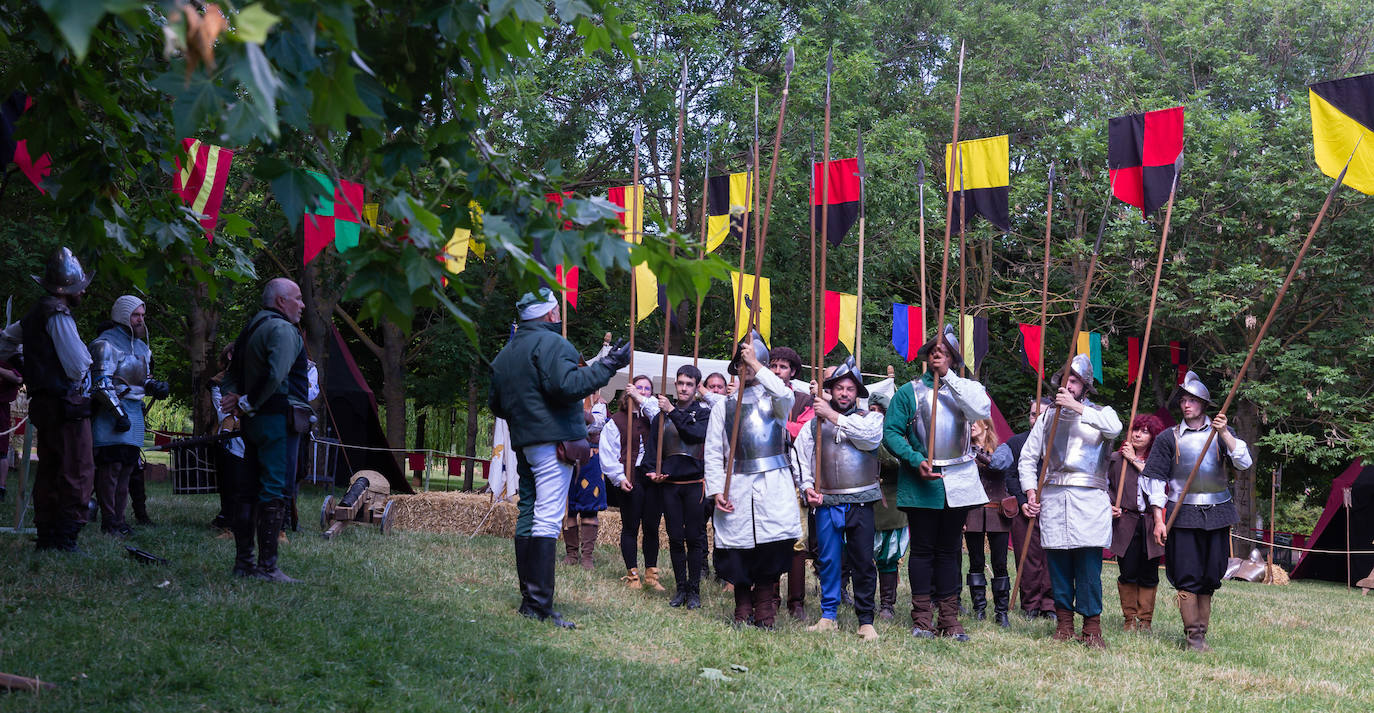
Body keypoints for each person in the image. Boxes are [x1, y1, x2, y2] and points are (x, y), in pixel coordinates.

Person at [489, 288, 630, 628]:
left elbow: (496, 404)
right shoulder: (553, 345)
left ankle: (529, 599)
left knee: (530, 511)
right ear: (551, 315)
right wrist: (610, 364)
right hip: (553, 443)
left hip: (526, 442)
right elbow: (568, 386)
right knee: (549, 517)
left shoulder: (507, 352)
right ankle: (539, 605)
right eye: (557, 311)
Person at [884, 324, 991, 641]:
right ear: (926, 357)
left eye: (944, 353)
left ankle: (949, 618)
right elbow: (891, 432)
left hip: (957, 478)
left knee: (949, 552)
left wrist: (951, 377)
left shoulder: (965, 390)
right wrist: (915, 459)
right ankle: (921, 618)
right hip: (922, 481)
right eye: (933, 352)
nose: (937, 357)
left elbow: (981, 410)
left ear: (954, 359)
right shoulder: (909, 392)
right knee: (922, 551)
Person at [1141, 371, 1253, 652]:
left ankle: (1201, 633)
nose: (1186, 404)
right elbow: (1154, 480)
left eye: (1192, 400)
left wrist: (1225, 432)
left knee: (1211, 575)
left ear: (1204, 404)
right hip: (1182, 512)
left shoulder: (1221, 435)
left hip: (1217, 511)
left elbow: (1244, 462)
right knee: (1187, 574)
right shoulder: (1169, 438)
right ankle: (1193, 637)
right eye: (1183, 400)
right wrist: (1159, 519)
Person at [1019, 354, 1122, 649]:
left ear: (1085, 386)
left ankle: (1092, 628)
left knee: (1088, 569)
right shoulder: (1048, 417)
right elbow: (1028, 458)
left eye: (1074, 380)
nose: (1068, 385)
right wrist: (1030, 491)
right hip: (1053, 497)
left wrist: (1076, 408)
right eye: (1065, 380)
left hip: (1089, 499)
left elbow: (1114, 429)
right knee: (1059, 566)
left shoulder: (1103, 413)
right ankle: (1064, 624)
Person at [218, 278, 313, 582]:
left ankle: (244, 564)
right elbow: (275, 375)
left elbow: (230, 375)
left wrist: (233, 400)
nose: (302, 305)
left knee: (247, 490)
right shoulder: (283, 329)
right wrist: (245, 402)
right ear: (281, 301)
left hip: (254, 423)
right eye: (297, 299)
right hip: (276, 422)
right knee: (273, 490)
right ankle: (267, 568)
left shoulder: (250, 328)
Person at [705, 331, 801, 629]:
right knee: (738, 550)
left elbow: (786, 394)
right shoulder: (724, 406)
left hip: (772, 483)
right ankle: (742, 610)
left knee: (769, 551)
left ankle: (765, 613)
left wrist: (759, 366)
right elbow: (713, 451)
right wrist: (716, 490)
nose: (746, 370)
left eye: (751, 364)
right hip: (737, 484)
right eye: (742, 364)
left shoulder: (776, 401)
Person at [796, 358, 884, 640]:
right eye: (839, 388)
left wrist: (832, 416)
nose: (844, 393)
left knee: (862, 560)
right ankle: (828, 615)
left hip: (860, 500)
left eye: (849, 389)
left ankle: (866, 619)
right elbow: (801, 458)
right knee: (829, 560)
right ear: (831, 390)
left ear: (857, 392)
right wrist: (807, 486)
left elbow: (868, 440)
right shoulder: (814, 424)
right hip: (826, 501)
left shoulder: (871, 419)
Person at [21, 248, 96, 552]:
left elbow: (7, 340)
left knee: (51, 467)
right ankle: (64, 537)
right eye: (81, 286)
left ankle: (47, 534)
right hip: (65, 404)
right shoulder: (58, 313)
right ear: (69, 287)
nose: (85, 291)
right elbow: (78, 364)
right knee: (75, 468)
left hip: (44, 403)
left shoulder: (36, 312)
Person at [89, 295, 169, 537]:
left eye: (142, 315)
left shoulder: (142, 347)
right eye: (136, 315)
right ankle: (109, 521)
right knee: (111, 468)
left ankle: (120, 520)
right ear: (123, 314)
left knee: (127, 468)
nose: (140, 319)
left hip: (134, 411)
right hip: (110, 412)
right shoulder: (104, 344)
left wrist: (153, 386)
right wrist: (117, 413)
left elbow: (140, 378)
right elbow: (100, 383)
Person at [642, 364, 712, 609]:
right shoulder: (661, 416)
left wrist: (672, 410)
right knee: (674, 537)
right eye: (680, 383)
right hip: (669, 485)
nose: (684, 388)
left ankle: (694, 590)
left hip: (694, 484)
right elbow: (653, 448)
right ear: (675, 384)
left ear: (696, 387)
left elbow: (695, 435)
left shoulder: (703, 414)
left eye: (689, 384)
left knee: (694, 538)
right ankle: (680, 588)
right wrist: (652, 472)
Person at [600, 375, 666, 591]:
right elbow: (608, 453)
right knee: (630, 526)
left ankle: (651, 575)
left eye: (648, 389)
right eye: (639, 388)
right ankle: (632, 575)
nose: (644, 391)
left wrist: (641, 398)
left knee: (651, 527)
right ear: (628, 391)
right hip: (629, 476)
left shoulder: (656, 417)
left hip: (652, 478)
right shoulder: (617, 421)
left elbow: (659, 414)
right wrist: (619, 478)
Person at [770, 344, 818, 621]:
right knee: (770, 538)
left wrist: (777, 425)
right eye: (774, 366)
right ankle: (770, 596)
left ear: (793, 371)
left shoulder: (802, 400)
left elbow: (807, 430)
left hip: (794, 476)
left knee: (798, 541)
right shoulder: (760, 395)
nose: (778, 371)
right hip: (765, 476)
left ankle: (796, 601)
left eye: (783, 367)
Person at [1107, 413, 1167, 632]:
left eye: (1145, 431)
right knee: (1128, 570)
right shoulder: (1115, 459)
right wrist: (1108, 506)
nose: (1138, 435)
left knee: (1149, 572)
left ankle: (1145, 621)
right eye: (1136, 429)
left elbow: (1157, 485)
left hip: (1151, 521)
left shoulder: (1157, 462)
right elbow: (1103, 486)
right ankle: (1130, 619)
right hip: (1126, 520)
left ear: (1153, 437)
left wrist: (1134, 460)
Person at [998, 397, 1056, 619]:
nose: (1037, 418)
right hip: (1025, 507)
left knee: (1052, 556)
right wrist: (1023, 502)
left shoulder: (1059, 444)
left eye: (1043, 414)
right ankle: (1030, 604)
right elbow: (1010, 476)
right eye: (1033, 414)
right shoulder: (1016, 443)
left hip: (1053, 506)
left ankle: (1050, 604)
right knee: (1028, 556)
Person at [965, 418, 1012, 627]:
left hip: (997, 513)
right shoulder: (962, 450)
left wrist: (975, 453)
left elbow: (999, 465)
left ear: (986, 425)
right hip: (972, 512)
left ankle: (1001, 613)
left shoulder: (1003, 449)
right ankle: (979, 609)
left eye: (975, 421)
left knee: (1000, 563)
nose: (971, 425)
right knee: (975, 562)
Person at [867, 389, 908, 621]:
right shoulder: (860, 431)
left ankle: (887, 605)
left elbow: (900, 463)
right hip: (865, 502)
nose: (875, 414)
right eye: (872, 410)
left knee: (889, 555)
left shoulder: (899, 436)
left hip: (892, 503)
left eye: (880, 411)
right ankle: (864, 601)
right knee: (863, 555)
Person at [562, 393, 607, 570]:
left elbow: (596, 424)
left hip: (591, 457)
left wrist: (572, 415)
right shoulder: (565, 398)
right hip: (566, 455)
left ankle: (587, 555)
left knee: (590, 507)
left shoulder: (599, 403)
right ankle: (571, 553)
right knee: (569, 508)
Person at [0, 330, 22, 502]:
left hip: (0, 410)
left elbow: (17, 378)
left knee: (0, 451)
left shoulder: (11, 358)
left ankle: (1, 487)